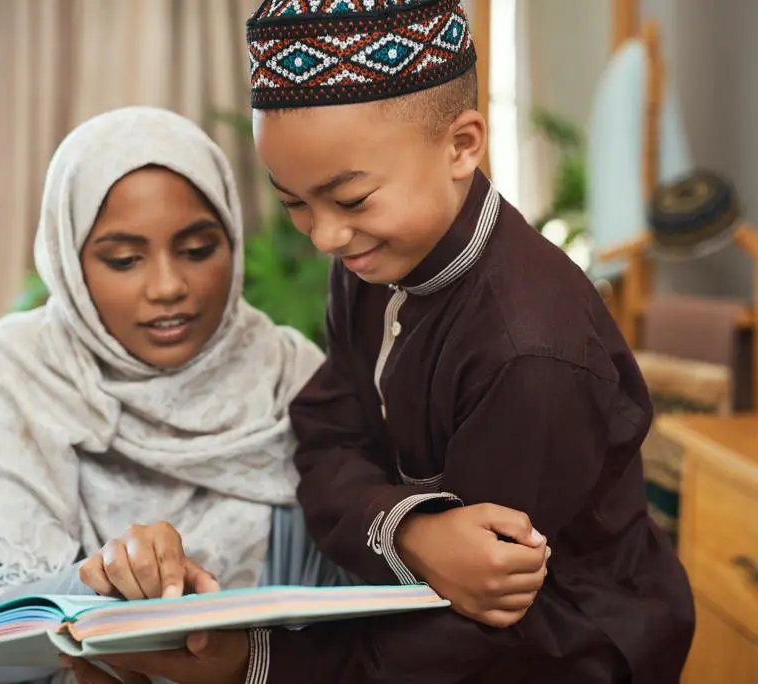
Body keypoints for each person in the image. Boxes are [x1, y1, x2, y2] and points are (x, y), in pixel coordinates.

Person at [86, 2, 695, 683]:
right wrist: (411, 530)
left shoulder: (529, 354)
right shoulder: (377, 257)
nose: (322, 236)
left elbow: (483, 622)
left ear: (463, 145)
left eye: (349, 199)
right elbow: (323, 439)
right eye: (295, 203)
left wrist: (257, 662)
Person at [0, 106, 356, 684]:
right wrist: (112, 578)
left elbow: (345, 624)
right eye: (124, 260)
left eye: (197, 250)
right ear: (71, 263)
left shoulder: (288, 374)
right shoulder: (18, 373)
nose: (168, 286)